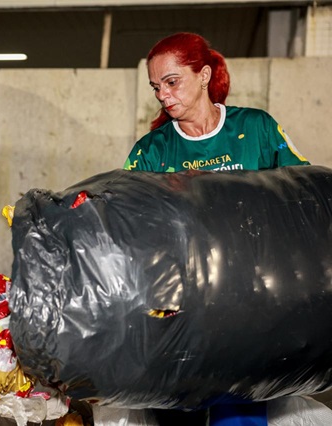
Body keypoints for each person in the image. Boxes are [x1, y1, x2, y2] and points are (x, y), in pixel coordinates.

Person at [122, 32, 309, 426]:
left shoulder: (256, 129)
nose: (163, 95)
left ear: (204, 75)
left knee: (240, 411)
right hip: (179, 311)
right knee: (178, 410)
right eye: (156, 87)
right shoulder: (150, 151)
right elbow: (128, 229)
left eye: (172, 82)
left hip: (250, 305)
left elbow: (303, 198)